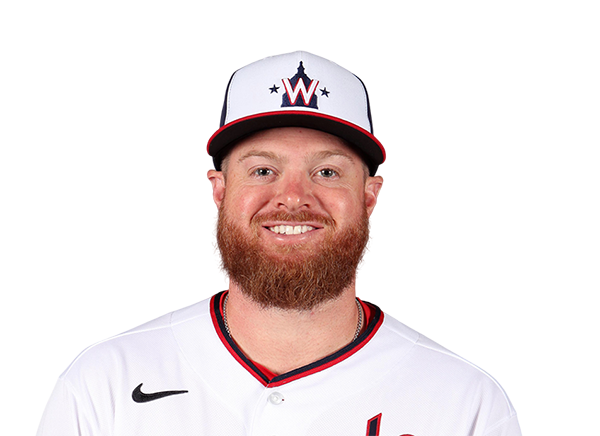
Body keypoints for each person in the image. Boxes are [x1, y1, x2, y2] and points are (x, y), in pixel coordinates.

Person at [39, 52, 521, 435]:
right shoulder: (106, 383)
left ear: (368, 196)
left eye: (327, 171)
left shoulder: (464, 404)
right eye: (263, 170)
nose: (293, 198)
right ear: (220, 190)